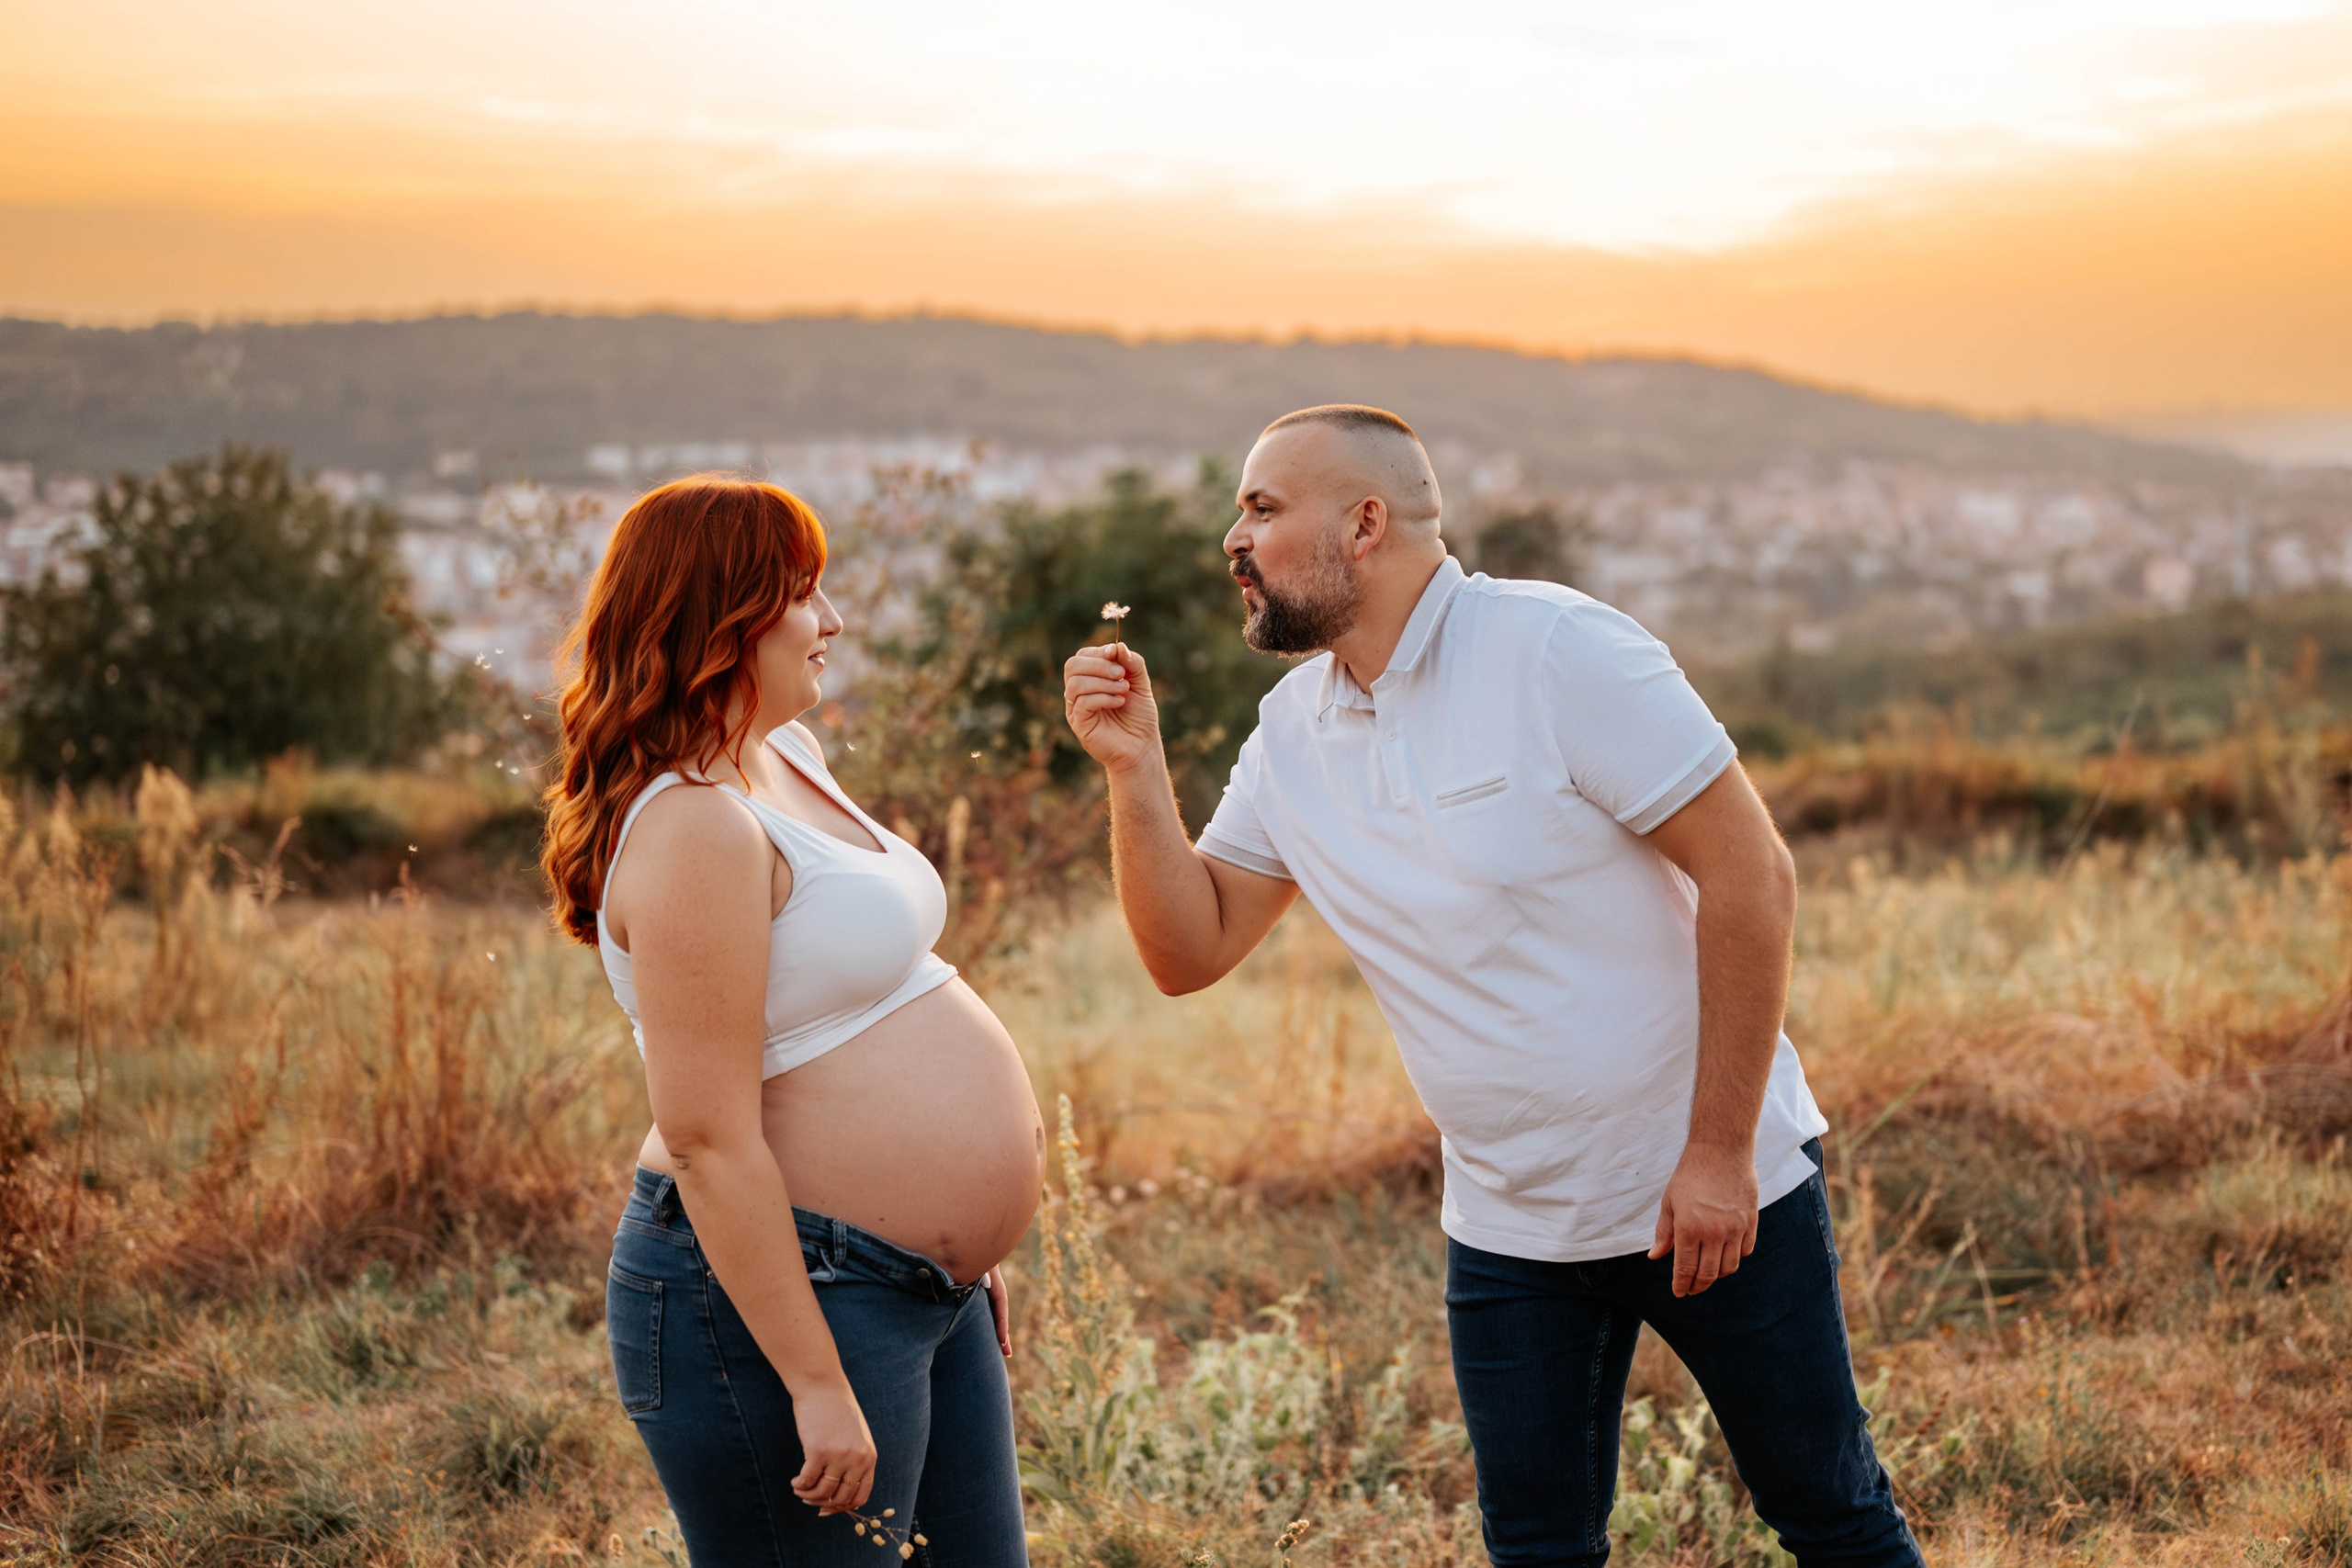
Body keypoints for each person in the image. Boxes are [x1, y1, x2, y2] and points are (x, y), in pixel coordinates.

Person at [1060, 407, 1924, 1567]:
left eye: (1262, 508)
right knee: (1534, 1547)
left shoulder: (1557, 650)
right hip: (1511, 1226)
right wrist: (1134, 771)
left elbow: (1750, 876)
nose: (1234, 538)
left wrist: (1717, 1154)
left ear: (1364, 523)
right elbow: (1189, 951)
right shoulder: (1289, 735)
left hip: (1716, 1197)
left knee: (1827, 1514)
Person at [543, 477, 1042, 1568]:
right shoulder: (691, 830)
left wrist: (955, 1253)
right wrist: (815, 1381)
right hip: (795, 1301)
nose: (834, 622)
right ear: (722, 618)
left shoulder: (784, 762)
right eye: (804, 594)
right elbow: (708, 1136)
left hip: (913, 1291)